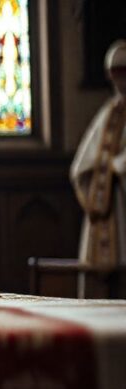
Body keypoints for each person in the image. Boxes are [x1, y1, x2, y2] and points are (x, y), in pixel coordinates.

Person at [71, 40, 126, 267]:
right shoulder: (109, 112)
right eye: (115, 72)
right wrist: (104, 170)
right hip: (111, 205)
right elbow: (80, 167)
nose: (119, 78)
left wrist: (117, 166)